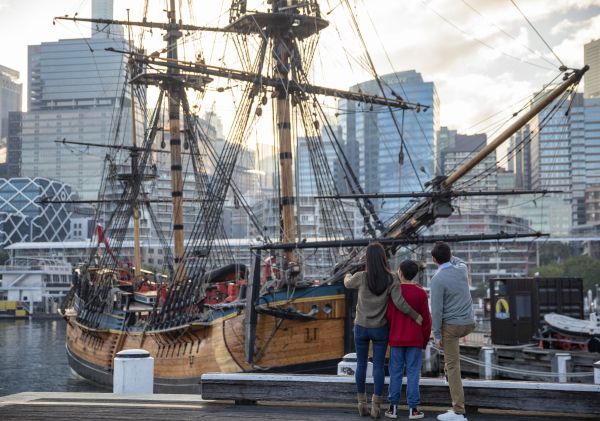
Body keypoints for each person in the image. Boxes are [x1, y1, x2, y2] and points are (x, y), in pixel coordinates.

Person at [345, 242, 423, 419]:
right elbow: (399, 303)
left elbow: (348, 283)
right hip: (380, 329)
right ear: (383, 258)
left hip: (361, 328)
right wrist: (415, 316)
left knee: (361, 365)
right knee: (379, 366)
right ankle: (376, 407)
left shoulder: (361, 277)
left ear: (368, 259)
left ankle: (361, 404)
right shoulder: (391, 278)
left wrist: (348, 274)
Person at [429, 242, 475, 421]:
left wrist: (437, 335)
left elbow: (437, 310)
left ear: (434, 260)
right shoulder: (462, 269)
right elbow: (460, 261)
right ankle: (449, 377)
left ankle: (458, 411)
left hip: (452, 326)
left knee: (453, 366)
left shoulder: (437, 279)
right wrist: (450, 255)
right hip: (469, 323)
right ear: (450, 255)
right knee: (452, 364)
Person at [385, 260, 431, 420]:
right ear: (416, 274)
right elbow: (427, 320)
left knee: (395, 373)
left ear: (400, 273)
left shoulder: (393, 292)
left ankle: (393, 408)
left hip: (397, 339)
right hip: (415, 340)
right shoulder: (421, 293)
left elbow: (388, 316)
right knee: (413, 373)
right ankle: (413, 409)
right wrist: (424, 341)